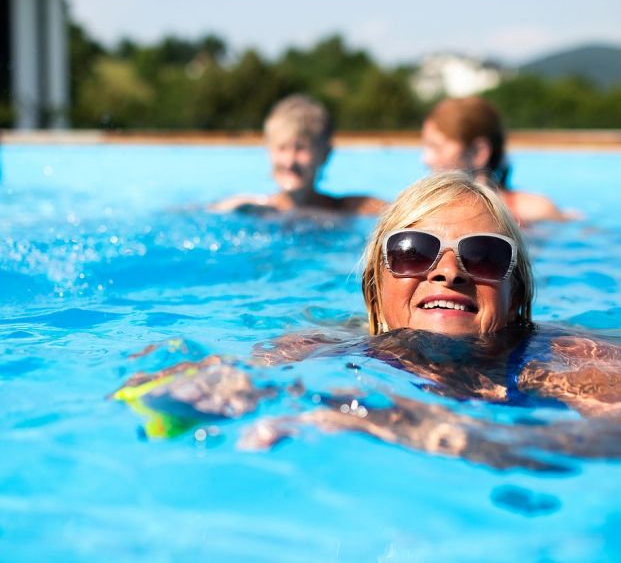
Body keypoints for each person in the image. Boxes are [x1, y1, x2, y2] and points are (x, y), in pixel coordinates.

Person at [112, 173, 621, 468]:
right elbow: (216, 380)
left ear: (516, 298)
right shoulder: (322, 349)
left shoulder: (567, 361)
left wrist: (444, 433)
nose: (448, 272)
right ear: (375, 290)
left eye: (484, 255)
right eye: (412, 251)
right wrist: (212, 382)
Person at [211, 93, 387, 215]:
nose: (289, 161)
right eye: (281, 148)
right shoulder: (249, 208)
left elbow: (406, 215)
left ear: (325, 154)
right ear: (269, 152)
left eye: (301, 148)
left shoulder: (351, 209)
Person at [421, 96, 574, 224]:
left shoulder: (534, 211)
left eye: (437, 147)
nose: (425, 159)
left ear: (478, 152)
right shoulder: (534, 210)